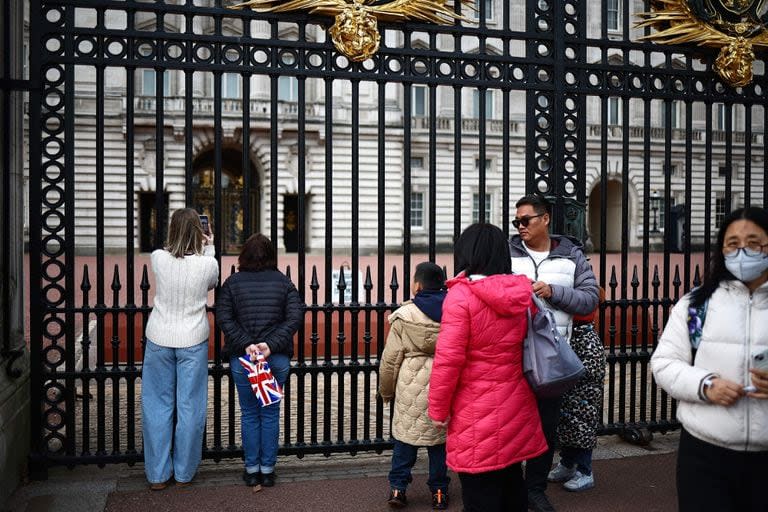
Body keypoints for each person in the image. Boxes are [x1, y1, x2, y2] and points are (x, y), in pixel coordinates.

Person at [651, 206, 768, 512]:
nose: (742, 252)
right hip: (705, 453)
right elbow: (664, 362)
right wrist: (705, 384)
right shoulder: (696, 305)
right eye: (732, 243)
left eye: (754, 243)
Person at [429, 223, 547, 512]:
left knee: (480, 492)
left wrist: (437, 410)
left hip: (475, 409)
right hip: (516, 402)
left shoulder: (462, 296)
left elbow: (448, 361)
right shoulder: (519, 292)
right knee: (511, 482)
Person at [508, 195, 599, 512]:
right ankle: (512, 487)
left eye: (526, 220)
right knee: (512, 425)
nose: (520, 227)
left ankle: (535, 488)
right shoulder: (507, 253)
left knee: (545, 427)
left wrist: (553, 291)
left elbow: (590, 299)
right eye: (516, 222)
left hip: (551, 358)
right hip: (511, 356)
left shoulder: (571, 254)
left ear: (545, 219)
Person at [217, 233, 304, 489]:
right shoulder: (283, 282)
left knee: (249, 414)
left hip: (244, 358)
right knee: (269, 415)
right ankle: (267, 470)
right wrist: (270, 344)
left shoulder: (232, 283)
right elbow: (294, 316)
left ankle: (251, 469)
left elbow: (224, 317)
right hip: (274, 357)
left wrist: (246, 343)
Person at [142, 208, 219, 490]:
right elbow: (212, 281)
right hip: (193, 339)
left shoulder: (158, 258)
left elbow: (169, 255)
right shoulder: (207, 264)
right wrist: (209, 244)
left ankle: (158, 475)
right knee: (190, 407)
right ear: (199, 232)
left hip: (159, 337)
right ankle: (184, 473)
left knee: (157, 407)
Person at [379, 262, 450, 510]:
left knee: (405, 443)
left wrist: (386, 391)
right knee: (439, 445)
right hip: (444, 383)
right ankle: (439, 491)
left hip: (410, 386)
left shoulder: (404, 315)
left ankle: (398, 488)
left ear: (417, 285)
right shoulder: (453, 312)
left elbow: (390, 361)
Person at [547, 288, 606, 492]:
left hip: (584, 398)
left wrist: (570, 375)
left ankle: (585, 471)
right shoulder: (573, 333)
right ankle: (567, 465)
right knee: (568, 433)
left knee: (581, 434)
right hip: (572, 395)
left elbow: (593, 369)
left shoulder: (587, 337)